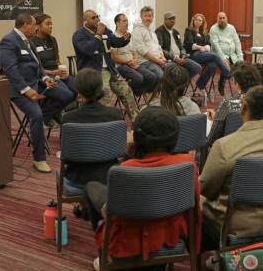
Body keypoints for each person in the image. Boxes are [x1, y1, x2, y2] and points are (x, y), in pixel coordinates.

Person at [84, 107, 201, 269]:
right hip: (169, 234)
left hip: (128, 241)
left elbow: (112, 214)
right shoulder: (187, 163)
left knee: (92, 188)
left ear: (136, 137)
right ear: (175, 138)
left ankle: (104, 256)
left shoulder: (125, 169)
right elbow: (194, 212)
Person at [200, 85, 263, 252]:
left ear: (243, 107)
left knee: (194, 200)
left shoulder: (224, 145)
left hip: (235, 225)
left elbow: (205, 188)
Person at [0, 13, 74, 173]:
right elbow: (10, 69)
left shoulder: (28, 42)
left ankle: (42, 119)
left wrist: (46, 78)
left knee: (67, 95)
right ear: (25, 25)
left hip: (37, 84)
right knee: (36, 115)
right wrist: (26, 90)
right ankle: (38, 159)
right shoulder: (8, 41)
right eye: (34, 25)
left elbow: (38, 65)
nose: (36, 28)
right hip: (20, 89)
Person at [72, 9, 139, 122]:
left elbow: (116, 42)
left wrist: (125, 38)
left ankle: (137, 122)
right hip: (94, 72)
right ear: (85, 21)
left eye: (97, 17)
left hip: (111, 69)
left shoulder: (105, 30)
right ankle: (105, 125)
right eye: (93, 18)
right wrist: (98, 34)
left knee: (127, 91)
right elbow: (88, 49)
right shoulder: (79, 35)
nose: (97, 19)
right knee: (105, 94)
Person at [62, 68, 123, 186]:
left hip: (78, 179)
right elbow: (120, 152)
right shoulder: (115, 114)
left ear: (78, 90)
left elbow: (67, 158)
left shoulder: (68, 118)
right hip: (110, 177)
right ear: (100, 88)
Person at [206, 61, 262, 146]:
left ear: (238, 84)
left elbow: (213, 137)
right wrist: (217, 116)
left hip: (229, 152)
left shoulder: (228, 104)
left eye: (233, 80)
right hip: (256, 147)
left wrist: (216, 119)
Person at [184, 13, 232, 102]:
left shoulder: (204, 33)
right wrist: (201, 47)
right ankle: (227, 73)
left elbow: (208, 45)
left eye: (200, 20)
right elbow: (190, 45)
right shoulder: (189, 30)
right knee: (214, 56)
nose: (198, 22)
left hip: (203, 55)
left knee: (213, 65)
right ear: (193, 21)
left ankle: (200, 84)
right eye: (196, 20)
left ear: (202, 22)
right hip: (192, 55)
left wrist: (206, 47)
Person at [30, 14, 77, 99]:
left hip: (57, 73)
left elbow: (57, 60)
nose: (51, 26)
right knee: (68, 94)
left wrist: (62, 71)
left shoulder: (52, 39)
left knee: (78, 89)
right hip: (44, 76)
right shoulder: (31, 42)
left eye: (51, 24)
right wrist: (53, 73)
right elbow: (35, 68)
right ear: (37, 26)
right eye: (47, 24)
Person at [110, 13, 157, 97]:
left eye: (127, 21)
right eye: (124, 21)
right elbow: (114, 57)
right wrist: (128, 62)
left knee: (152, 76)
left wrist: (134, 60)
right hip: (121, 66)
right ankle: (129, 92)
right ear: (117, 23)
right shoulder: (113, 37)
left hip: (132, 63)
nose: (127, 23)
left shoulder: (128, 36)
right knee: (139, 78)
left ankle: (136, 92)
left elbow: (134, 52)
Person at [155, 11, 201, 79]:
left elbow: (181, 47)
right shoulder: (159, 31)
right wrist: (175, 58)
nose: (172, 20)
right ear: (165, 20)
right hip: (169, 59)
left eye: (173, 19)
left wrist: (183, 55)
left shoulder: (176, 32)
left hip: (180, 58)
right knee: (178, 72)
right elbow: (160, 49)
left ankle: (181, 86)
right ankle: (179, 85)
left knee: (197, 68)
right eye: (170, 19)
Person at [132, 6, 167, 82]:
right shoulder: (137, 30)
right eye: (145, 16)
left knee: (174, 72)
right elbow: (142, 51)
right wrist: (158, 61)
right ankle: (152, 93)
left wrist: (163, 58)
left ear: (153, 17)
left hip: (157, 60)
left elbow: (158, 47)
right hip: (145, 61)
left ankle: (158, 93)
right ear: (141, 17)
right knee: (162, 76)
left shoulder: (152, 32)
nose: (148, 18)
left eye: (150, 16)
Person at [209, 12, 242, 95]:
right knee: (225, 65)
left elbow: (237, 42)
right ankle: (222, 83)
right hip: (218, 55)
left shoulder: (231, 28)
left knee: (241, 67)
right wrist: (223, 57)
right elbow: (215, 45)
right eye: (220, 18)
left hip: (232, 55)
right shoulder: (213, 28)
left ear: (226, 18)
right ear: (217, 19)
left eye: (224, 18)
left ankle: (240, 88)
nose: (222, 20)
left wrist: (240, 56)